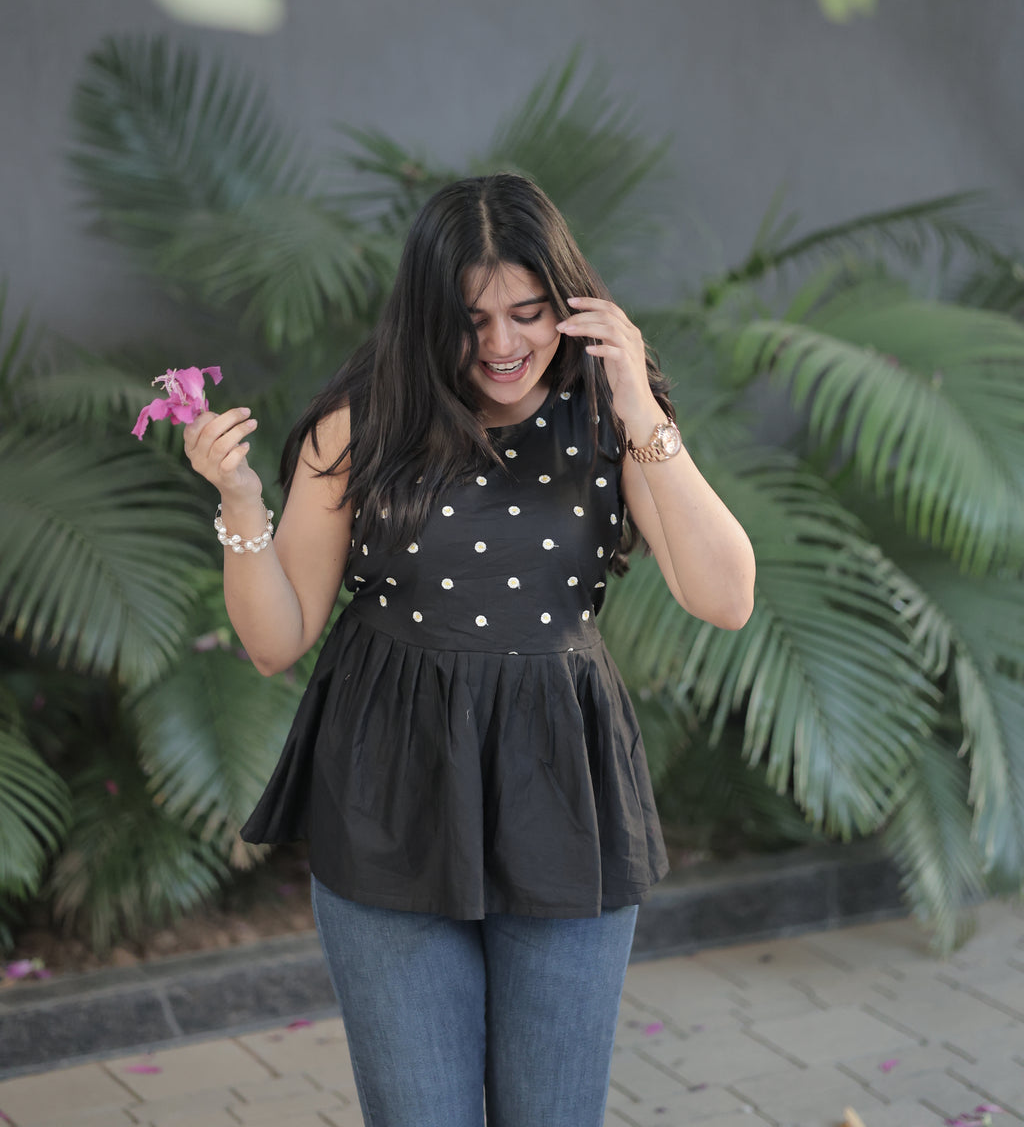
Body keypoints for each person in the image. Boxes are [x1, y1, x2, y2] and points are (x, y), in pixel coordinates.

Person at [183, 173, 755, 1127]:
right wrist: (242, 504)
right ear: (423, 317)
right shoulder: (362, 424)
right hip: (387, 791)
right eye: (470, 319)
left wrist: (639, 404)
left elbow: (725, 596)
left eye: (528, 313)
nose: (501, 345)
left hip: (562, 788)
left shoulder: (612, 419)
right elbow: (276, 641)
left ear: (570, 304)